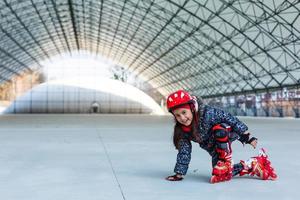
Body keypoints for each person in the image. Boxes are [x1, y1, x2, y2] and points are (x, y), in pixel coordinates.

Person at [165, 90, 277, 183]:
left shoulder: (207, 113)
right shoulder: (182, 130)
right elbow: (184, 152)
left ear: (192, 108)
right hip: (213, 148)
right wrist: (179, 173)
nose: (182, 118)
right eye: (178, 115)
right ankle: (252, 165)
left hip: (226, 134)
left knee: (219, 129)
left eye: (184, 112)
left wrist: (246, 136)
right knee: (219, 174)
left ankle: (225, 161)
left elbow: (229, 118)